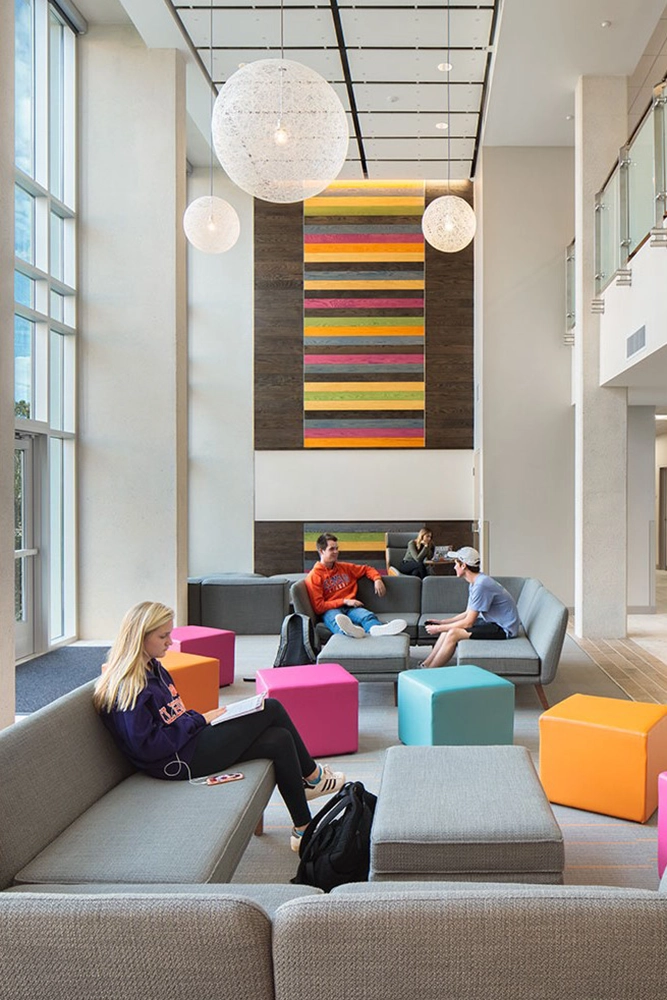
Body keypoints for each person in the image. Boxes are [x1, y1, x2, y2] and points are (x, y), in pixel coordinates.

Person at [93, 601, 345, 852]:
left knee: (278, 739)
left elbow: (174, 716)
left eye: (169, 634)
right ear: (140, 638)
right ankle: (313, 777)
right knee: (272, 707)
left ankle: (303, 828)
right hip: (177, 762)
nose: (169, 642)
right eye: (163, 636)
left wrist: (202, 719)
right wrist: (200, 720)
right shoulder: (130, 688)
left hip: (188, 744)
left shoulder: (154, 668)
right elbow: (148, 747)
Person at [419, 546, 520, 668]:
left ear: (464, 565)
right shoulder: (475, 582)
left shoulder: (481, 585)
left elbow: (468, 623)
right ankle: (425, 665)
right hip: (493, 623)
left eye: (456, 563)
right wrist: (442, 623)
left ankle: (429, 672)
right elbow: (467, 613)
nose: (454, 566)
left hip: (504, 629)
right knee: (447, 630)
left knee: (453, 633)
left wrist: (438, 629)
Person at [305, 532, 407, 639]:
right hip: (331, 610)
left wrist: (377, 579)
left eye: (337, 548)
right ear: (321, 551)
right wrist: (344, 601)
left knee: (367, 616)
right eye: (332, 549)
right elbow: (319, 607)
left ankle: (377, 629)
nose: (336, 552)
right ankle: (351, 633)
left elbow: (367, 569)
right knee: (337, 620)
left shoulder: (344, 567)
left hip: (351, 607)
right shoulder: (314, 576)